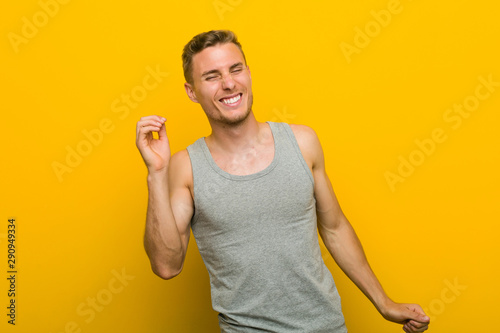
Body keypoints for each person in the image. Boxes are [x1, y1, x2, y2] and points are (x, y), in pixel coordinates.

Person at [135, 30, 430, 333]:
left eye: (235, 69)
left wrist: (384, 303)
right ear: (192, 91)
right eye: (211, 76)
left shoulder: (302, 142)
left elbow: (334, 227)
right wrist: (156, 173)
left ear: (248, 74)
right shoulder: (186, 167)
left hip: (326, 327)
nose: (228, 83)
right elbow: (166, 266)